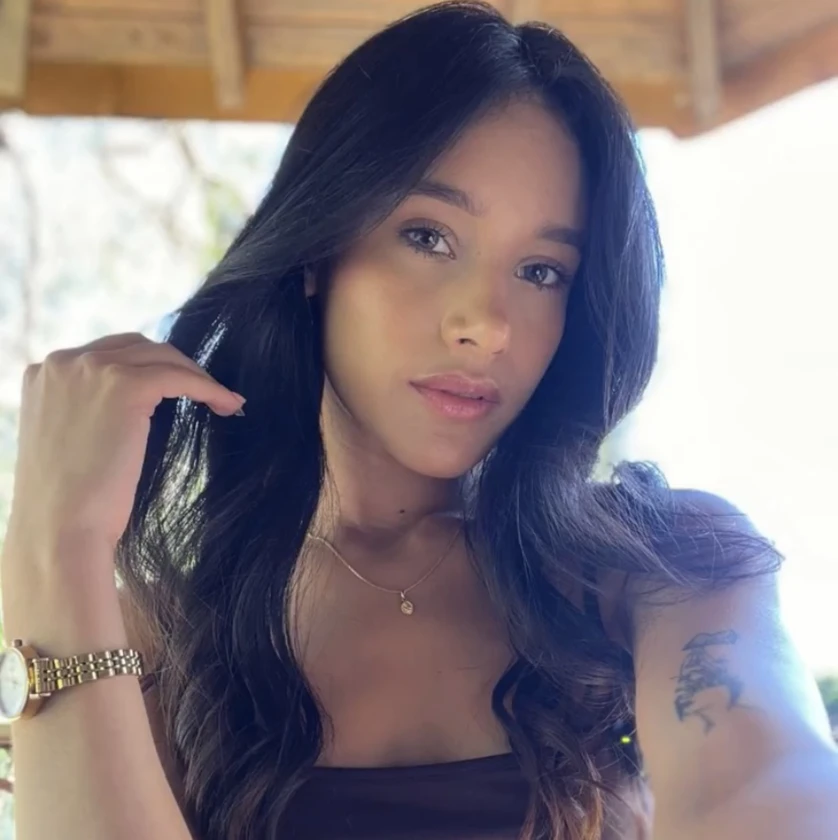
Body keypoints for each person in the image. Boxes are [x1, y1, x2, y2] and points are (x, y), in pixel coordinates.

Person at [3, 2, 837, 840]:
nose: (488, 325)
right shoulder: (159, 640)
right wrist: (57, 543)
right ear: (317, 250)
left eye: (541, 270)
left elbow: (767, 785)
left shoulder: (659, 568)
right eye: (429, 237)